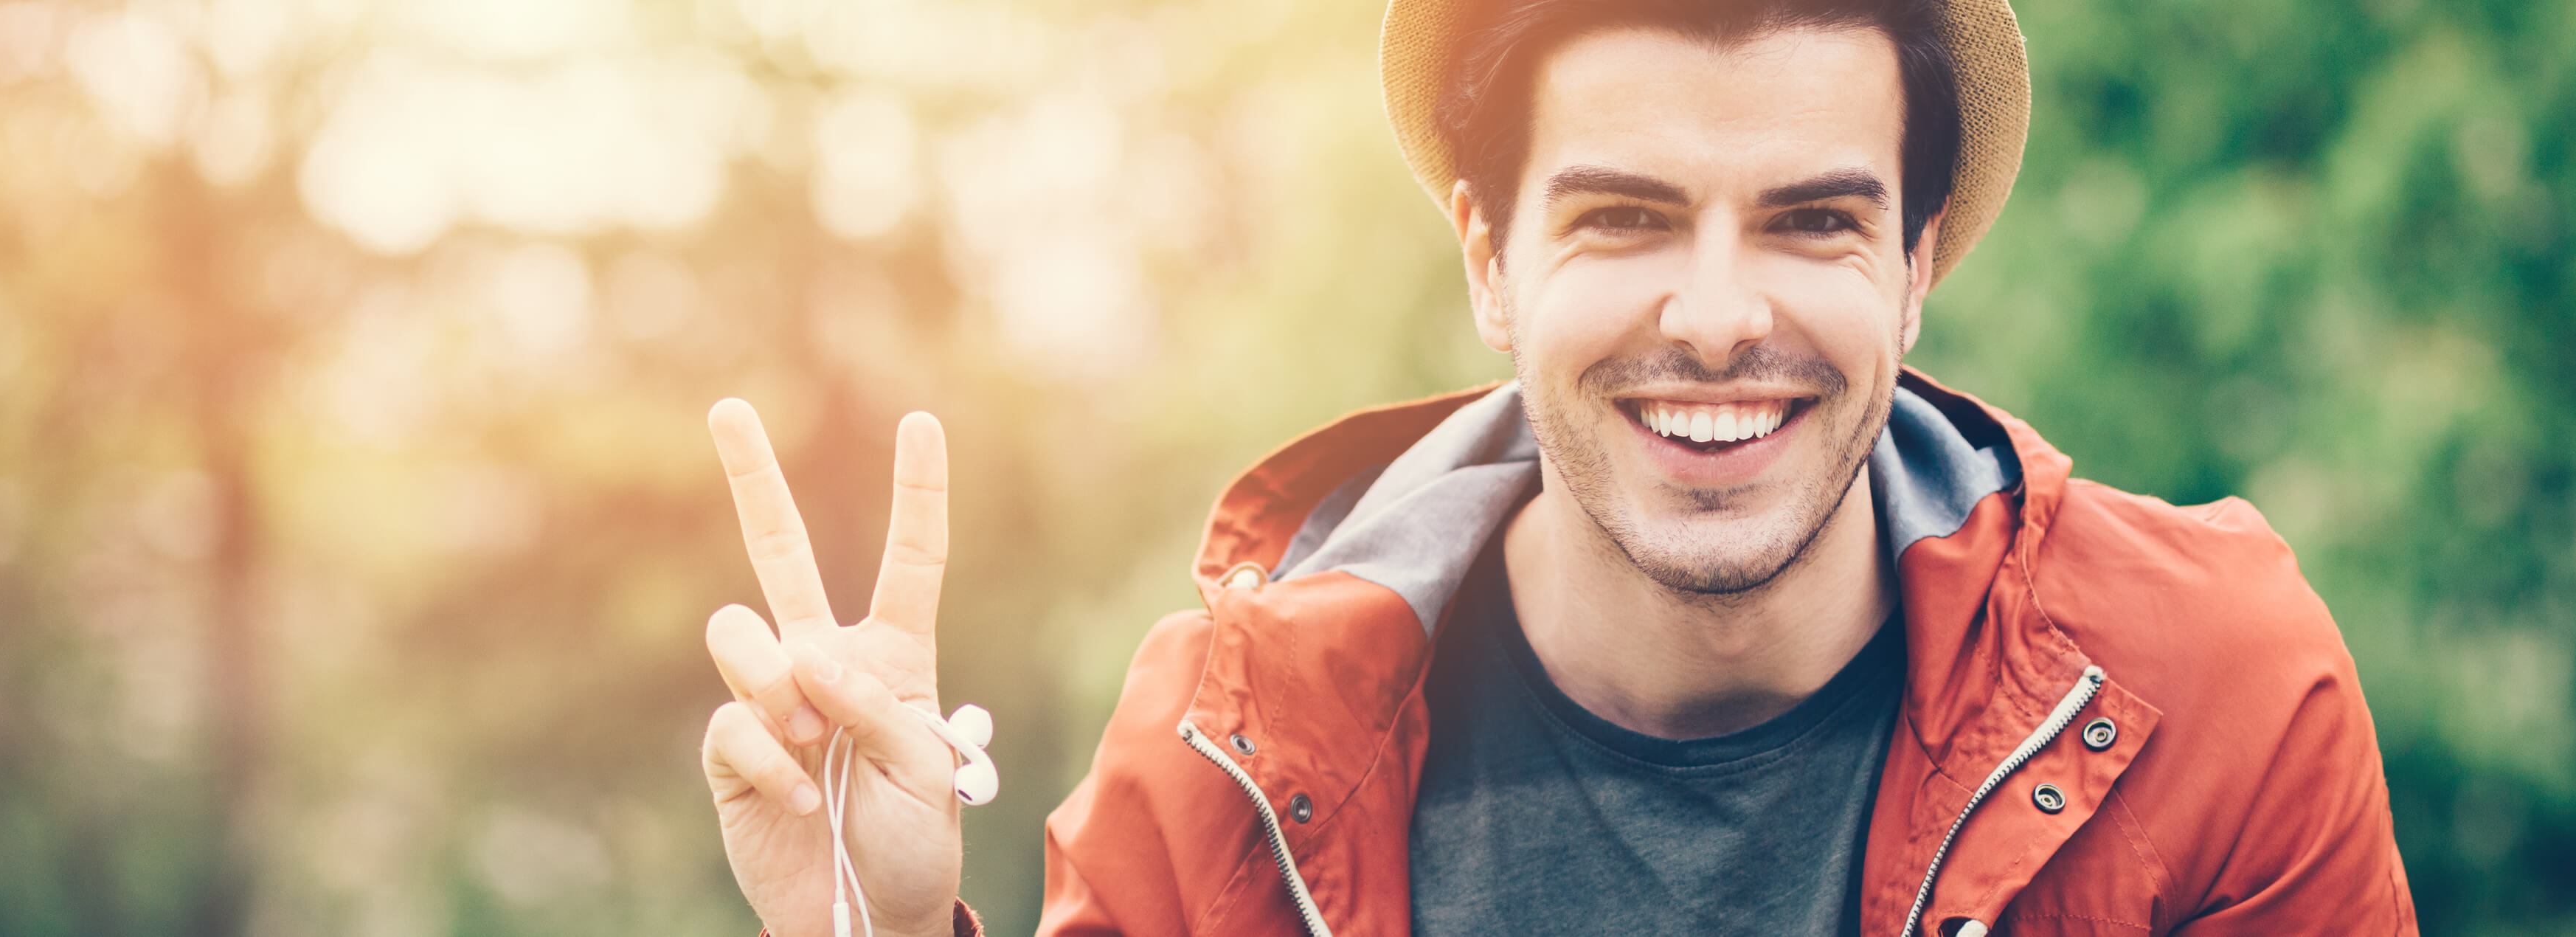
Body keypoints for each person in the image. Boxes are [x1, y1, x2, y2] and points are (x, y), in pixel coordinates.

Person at [691, 0, 2420, 933]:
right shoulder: (1223, 751)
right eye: (1626, 218)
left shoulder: (2213, 694)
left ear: (1919, 259)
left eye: (1813, 221)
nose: (1722, 314)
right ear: (1490, 258)